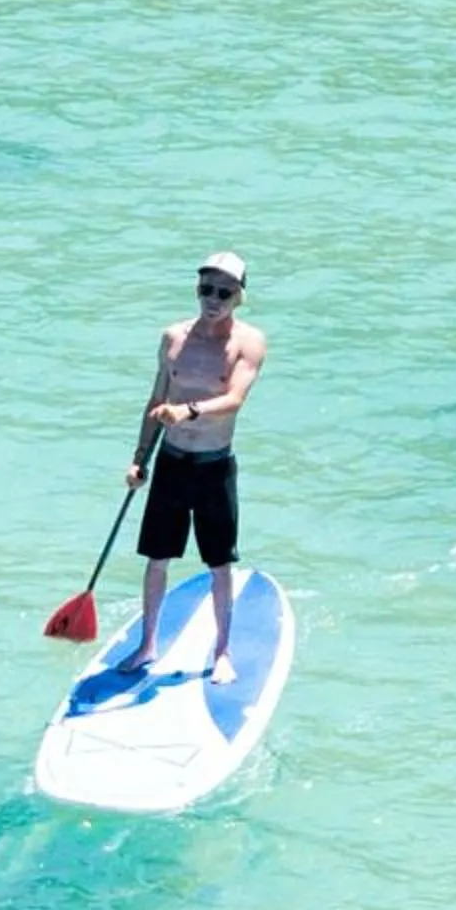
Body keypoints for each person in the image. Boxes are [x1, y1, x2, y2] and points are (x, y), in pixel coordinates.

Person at [118, 250, 267, 685]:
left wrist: (188, 411)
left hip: (213, 466)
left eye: (224, 291)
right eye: (207, 289)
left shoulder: (248, 342)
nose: (214, 298)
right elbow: (155, 400)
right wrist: (139, 460)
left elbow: (235, 399)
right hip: (171, 463)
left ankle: (222, 652)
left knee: (219, 564)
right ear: (196, 290)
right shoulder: (173, 338)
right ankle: (148, 644)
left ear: (240, 296)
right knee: (157, 559)